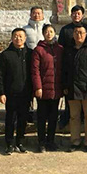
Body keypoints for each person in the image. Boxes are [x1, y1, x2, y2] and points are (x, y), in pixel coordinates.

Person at [0, 28, 33, 155]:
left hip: (26, 93)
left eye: (21, 36)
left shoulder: (30, 54)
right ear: (11, 38)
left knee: (23, 118)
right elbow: (0, 75)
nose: (18, 38)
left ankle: (20, 142)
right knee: (10, 119)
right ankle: (9, 143)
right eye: (16, 36)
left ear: (25, 38)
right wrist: (1, 92)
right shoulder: (6, 55)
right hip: (11, 93)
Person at [62, 26, 87, 152]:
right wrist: (65, 86)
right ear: (73, 34)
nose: (79, 35)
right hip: (72, 88)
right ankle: (75, 141)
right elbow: (64, 70)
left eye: (81, 32)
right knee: (74, 117)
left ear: (86, 34)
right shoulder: (68, 50)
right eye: (76, 32)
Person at [31, 24, 64, 152]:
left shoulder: (60, 49)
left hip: (56, 88)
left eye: (51, 31)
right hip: (43, 88)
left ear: (55, 33)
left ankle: (51, 141)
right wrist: (38, 87)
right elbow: (35, 71)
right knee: (42, 117)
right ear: (43, 34)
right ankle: (41, 142)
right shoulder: (38, 50)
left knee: (53, 117)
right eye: (46, 32)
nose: (49, 34)